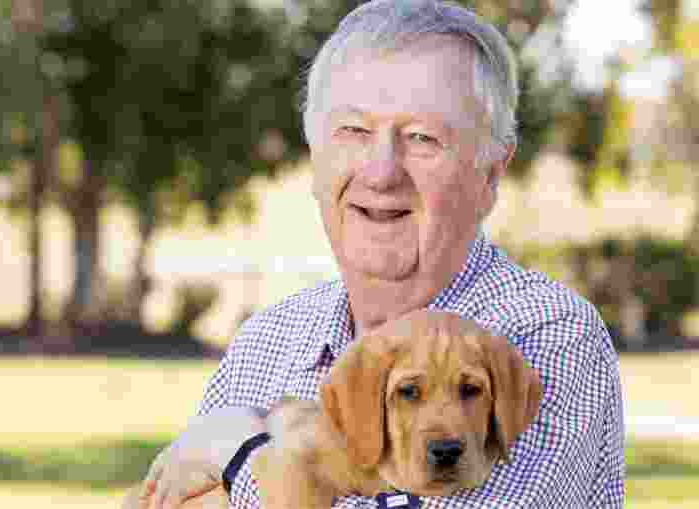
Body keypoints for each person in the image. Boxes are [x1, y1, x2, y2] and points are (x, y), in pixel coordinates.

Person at [140, 1, 625, 508]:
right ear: (315, 159)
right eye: (354, 131)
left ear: (490, 175)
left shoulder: (547, 335)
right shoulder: (267, 343)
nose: (381, 172)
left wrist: (239, 456)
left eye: (422, 138)